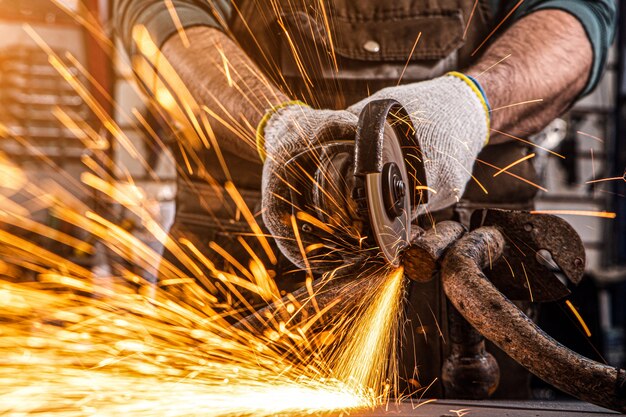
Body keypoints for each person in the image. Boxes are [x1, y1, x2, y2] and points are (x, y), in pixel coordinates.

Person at [113, 0, 616, 398]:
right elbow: (160, 14)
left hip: (464, 270)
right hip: (245, 261)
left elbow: (580, 12)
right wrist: (274, 125)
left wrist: (472, 102)